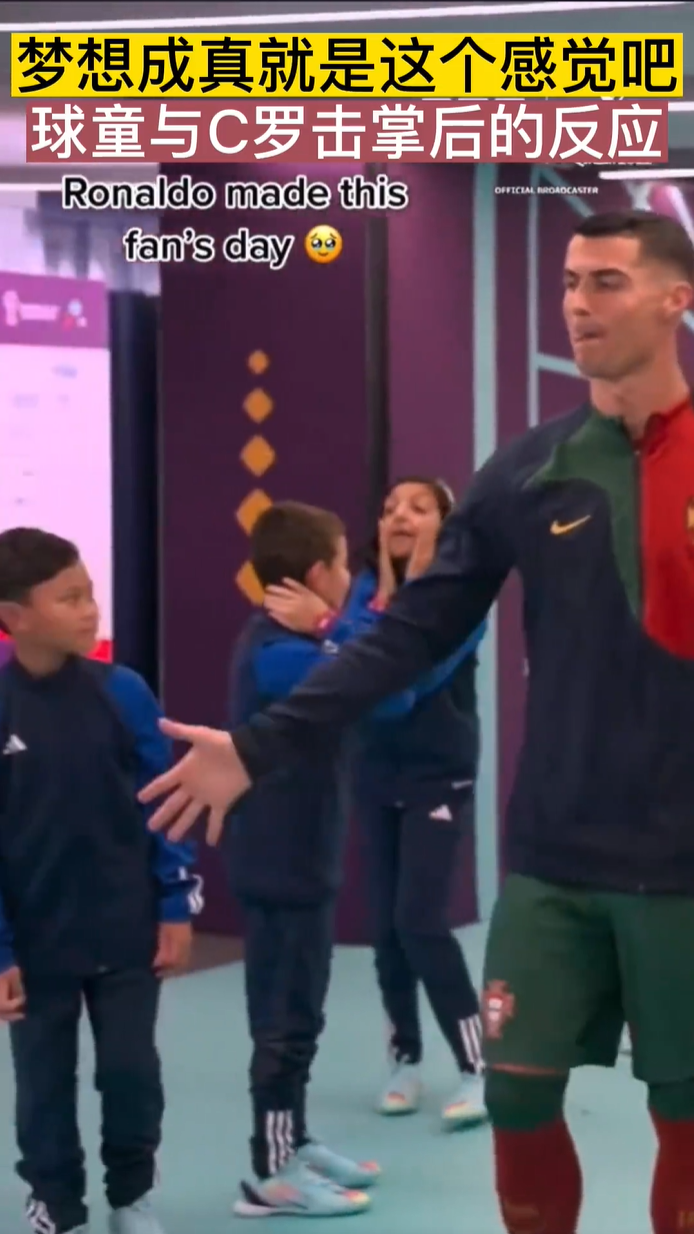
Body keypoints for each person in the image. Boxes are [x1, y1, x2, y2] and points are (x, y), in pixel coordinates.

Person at [142, 209, 694, 1234]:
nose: (577, 303)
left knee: (686, 1123)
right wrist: (260, 744)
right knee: (516, 1101)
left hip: (684, 866)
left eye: (607, 281)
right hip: (553, 860)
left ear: (675, 299)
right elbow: (405, 635)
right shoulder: (525, 472)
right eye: (570, 281)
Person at [265, 478, 487, 1129]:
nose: (399, 517)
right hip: (376, 771)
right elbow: (354, 669)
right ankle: (404, 1060)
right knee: (387, 928)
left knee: (420, 920)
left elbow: (403, 681)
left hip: (438, 776)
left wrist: (331, 626)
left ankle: (479, 1067)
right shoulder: (364, 589)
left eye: (418, 508)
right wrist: (363, 613)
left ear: (446, 524)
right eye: (390, 508)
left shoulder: (461, 597)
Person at [0, 527, 201, 1234]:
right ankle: (55, 1204)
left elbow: (166, 804)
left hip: (126, 931)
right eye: (69, 599)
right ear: (15, 616)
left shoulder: (125, 693)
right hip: (35, 943)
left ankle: (132, 1195)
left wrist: (174, 905)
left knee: (130, 1072)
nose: (91, 610)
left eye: (89, 593)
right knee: (42, 1086)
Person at [225, 502, 384, 1218]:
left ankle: (294, 1139)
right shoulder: (281, 655)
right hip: (280, 864)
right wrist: (334, 627)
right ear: (319, 574)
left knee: (301, 1016)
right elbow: (378, 684)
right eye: (345, 563)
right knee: (284, 1024)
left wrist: (329, 629)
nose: (350, 577)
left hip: (303, 860)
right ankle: (271, 1174)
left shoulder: (299, 647)